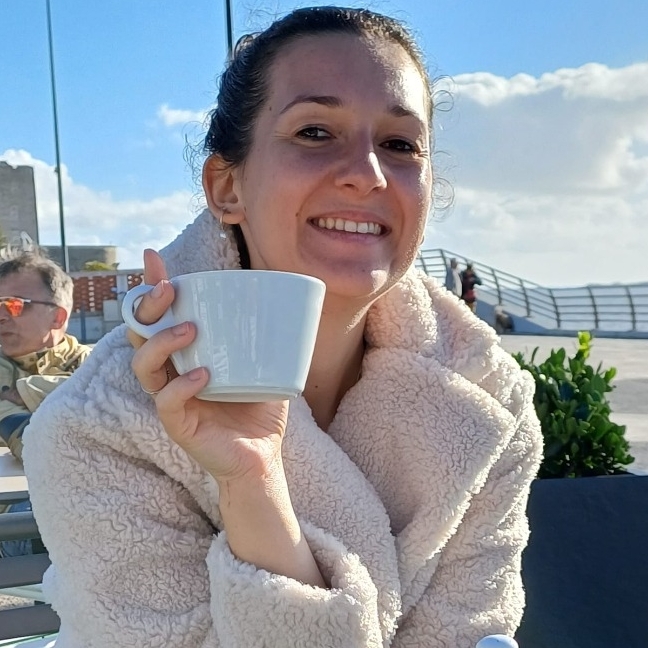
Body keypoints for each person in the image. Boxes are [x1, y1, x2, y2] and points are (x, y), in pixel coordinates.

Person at [23, 7, 542, 647]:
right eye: (315, 132)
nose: (368, 173)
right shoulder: (99, 427)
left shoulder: (488, 398)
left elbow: (471, 633)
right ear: (226, 187)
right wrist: (252, 482)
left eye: (400, 144)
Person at [0, 250, 92, 557]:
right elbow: (37, 444)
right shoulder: (99, 374)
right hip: (14, 521)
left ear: (57, 316)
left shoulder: (100, 363)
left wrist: (27, 390)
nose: (1, 316)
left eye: (13, 305)